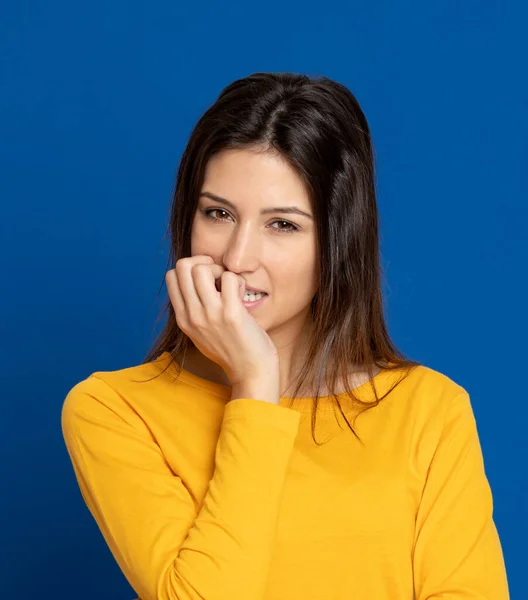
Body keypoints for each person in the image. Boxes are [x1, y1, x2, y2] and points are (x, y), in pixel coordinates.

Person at [61, 72, 509, 600]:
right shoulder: (114, 410)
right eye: (218, 213)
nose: (237, 257)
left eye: (283, 225)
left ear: (337, 243)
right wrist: (255, 383)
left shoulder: (428, 410)